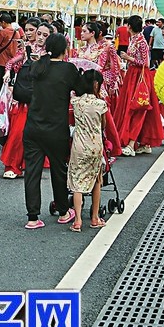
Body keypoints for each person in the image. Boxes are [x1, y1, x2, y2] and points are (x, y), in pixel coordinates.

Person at [23, 34, 81, 229]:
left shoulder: (37, 66)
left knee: (32, 172)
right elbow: (80, 88)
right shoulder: (68, 69)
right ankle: (63, 211)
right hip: (56, 128)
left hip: (33, 126)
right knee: (58, 169)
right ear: (64, 50)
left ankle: (32, 217)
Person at [0, 19, 45, 179]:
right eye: (28, 30)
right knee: (18, 132)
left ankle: (27, 164)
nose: (30, 33)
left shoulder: (48, 51)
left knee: (36, 135)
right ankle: (12, 165)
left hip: (41, 97)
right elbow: (11, 63)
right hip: (24, 97)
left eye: (33, 30)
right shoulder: (25, 48)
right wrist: (8, 73)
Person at [115, 15, 163, 156]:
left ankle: (131, 144)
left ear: (129, 26)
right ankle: (144, 143)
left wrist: (128, 58)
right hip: (134, 75)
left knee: (137, 108)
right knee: (138, 107)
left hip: (139, 77)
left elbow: (146, 63)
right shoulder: (136, 39)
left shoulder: (141, 41)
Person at [68, 69, 109, 232]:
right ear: (96, 85)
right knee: (97, 180)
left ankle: (77, 221)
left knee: (77, 181)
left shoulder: (75, 102)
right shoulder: (101, 104)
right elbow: (103, 125)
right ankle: (95, 217)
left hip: (79, 145)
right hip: (95, 145)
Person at [77, 21, 124, 156]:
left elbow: (113, 67)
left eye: (85, 31)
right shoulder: (80, 49)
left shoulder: (105, 48)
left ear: (93, 33)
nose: (81, 33)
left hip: (97, 85)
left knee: (100, 118)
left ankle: (104, 145)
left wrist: (112, 83)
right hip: (81, 86)